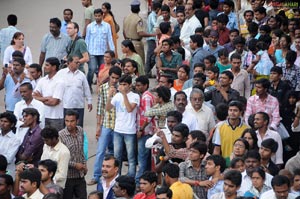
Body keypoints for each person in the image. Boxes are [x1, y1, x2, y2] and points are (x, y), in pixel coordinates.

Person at [87, 66, 122, 186]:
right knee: (101, 150)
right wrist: (98, 126)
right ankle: (96, 176)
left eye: (117, 78)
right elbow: (100, 109)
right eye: (112, 78)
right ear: (109, 77)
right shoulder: (103, 88)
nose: (114, 80)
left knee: (116, 153)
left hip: (118, 126)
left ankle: (116, 177)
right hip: (106, 124)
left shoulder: (122, 89)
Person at [106, 75, 140, 178]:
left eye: (124, 84)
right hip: (118, 129)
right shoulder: (117, 96)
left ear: (130, 85)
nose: (122, 86)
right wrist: (109, 96)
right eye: (120, 84)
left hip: (130, 130)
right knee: (117, 157)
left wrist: (124, 94)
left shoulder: (135, 96)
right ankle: (117, 177)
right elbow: (108, 108)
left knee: (131, 157)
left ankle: (130, 178)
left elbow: (129, 109)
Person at [59, 110, 87, 199]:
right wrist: (75, 165)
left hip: (80, 176)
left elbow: (81, 150)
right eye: (67, 121)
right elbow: (60, 158)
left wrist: (84, 164)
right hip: (67, 177)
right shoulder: (61, 135)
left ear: (77, 121)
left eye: (72, 121)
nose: (69, 124)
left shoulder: (80, 131)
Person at [57, 56, 92, 127]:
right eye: (76, 62)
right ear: (69, 63)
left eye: (79, 62)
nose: (78, 64)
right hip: (66, 106)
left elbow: (86, 88)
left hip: (79, 106)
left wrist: (89, 101)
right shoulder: (61, 73)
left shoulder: (81, 75)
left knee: (78, 127)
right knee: (67, 127)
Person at [33, 57, 65, 131]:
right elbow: (34, 96)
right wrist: (45, 98)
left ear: (54, 67)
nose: (44, 67)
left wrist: (40, 98)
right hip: (42, 115)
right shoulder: (42, 80)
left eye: (47, 65)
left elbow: (54, 102)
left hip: (55, 117)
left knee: (55, 140)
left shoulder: (60, 82)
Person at [85, 8, 115, 88]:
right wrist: (86, 52)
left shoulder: (107, 26)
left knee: (103, 71)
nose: (97, 17)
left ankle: (101, 86)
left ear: (102, 15)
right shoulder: (90, 26)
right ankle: (88, 86)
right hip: (92, 52)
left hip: (103, 53)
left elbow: (110, 39)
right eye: (96, 16)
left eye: (99, 16)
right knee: (92, 69)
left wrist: (112, 51)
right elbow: (87, 39)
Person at [213, 100, 249, 166]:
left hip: (241, 164)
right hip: (226, 163)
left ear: (240, 112)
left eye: (235, 110)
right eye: (230, 110)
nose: (232, 113)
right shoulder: (220, 127)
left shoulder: (246, 129)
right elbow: (217, 149)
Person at [135, 76, 155, 185]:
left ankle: (138, 182)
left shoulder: (146, 97)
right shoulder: (145, 96)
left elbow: (148, 116)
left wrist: (141, 129)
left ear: (145, 85)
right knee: (145, 158)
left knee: (142, 158)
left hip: (145, 131)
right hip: (146, 131)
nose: (137, 88)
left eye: (139, 85)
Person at [123, 0, 156, 64]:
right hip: (136, 43)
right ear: (139, 9)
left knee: (128, 62)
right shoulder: (138, 19)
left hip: (127, 43)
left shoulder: (126, 18)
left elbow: (124, 32)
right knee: (139, 62)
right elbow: (140, 33)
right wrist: (152, 35)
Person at [0, 112, 20, 178]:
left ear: (12, 125)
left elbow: (8, 159)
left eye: (5, 121)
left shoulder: (15, 139)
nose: (2, 123)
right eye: (1, 121)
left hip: (7, 171)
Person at [145, 1, 161, 77]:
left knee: (152, 56)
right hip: (152, 38)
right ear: (158, 9)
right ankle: (147, 72)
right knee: (151, 56)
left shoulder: (153, 15)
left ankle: (148, 71)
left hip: (152, 38)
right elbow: (156, 25)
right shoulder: (153, 16)